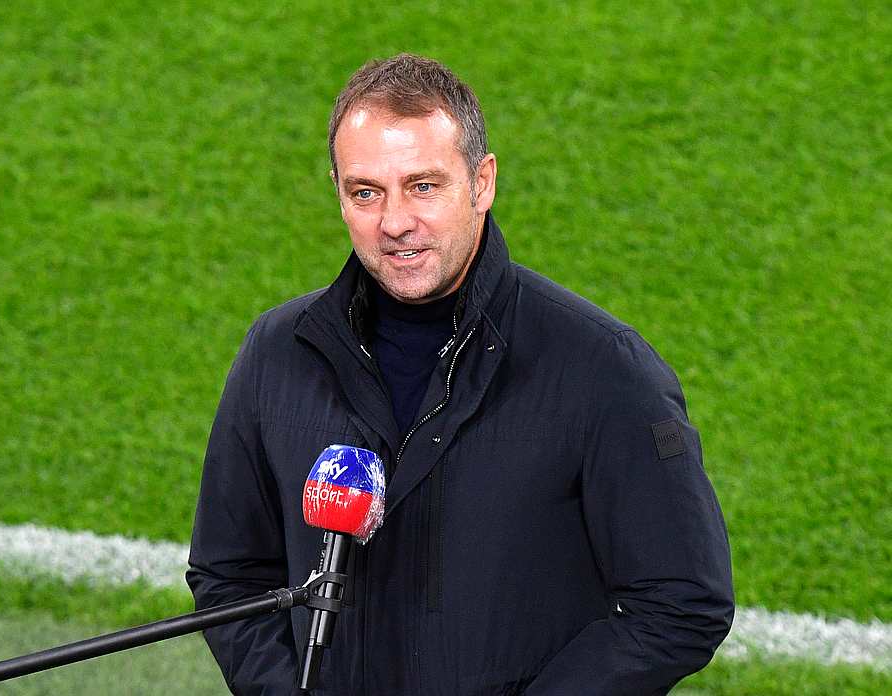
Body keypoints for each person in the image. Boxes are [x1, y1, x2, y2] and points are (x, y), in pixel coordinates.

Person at [187, 53, 734, 695]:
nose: (395, 223)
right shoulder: (276, 353)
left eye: (423, 186)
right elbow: (230, 573)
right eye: (366, 192)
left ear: (482, 183)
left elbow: (681, 602)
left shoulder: (605, 368)